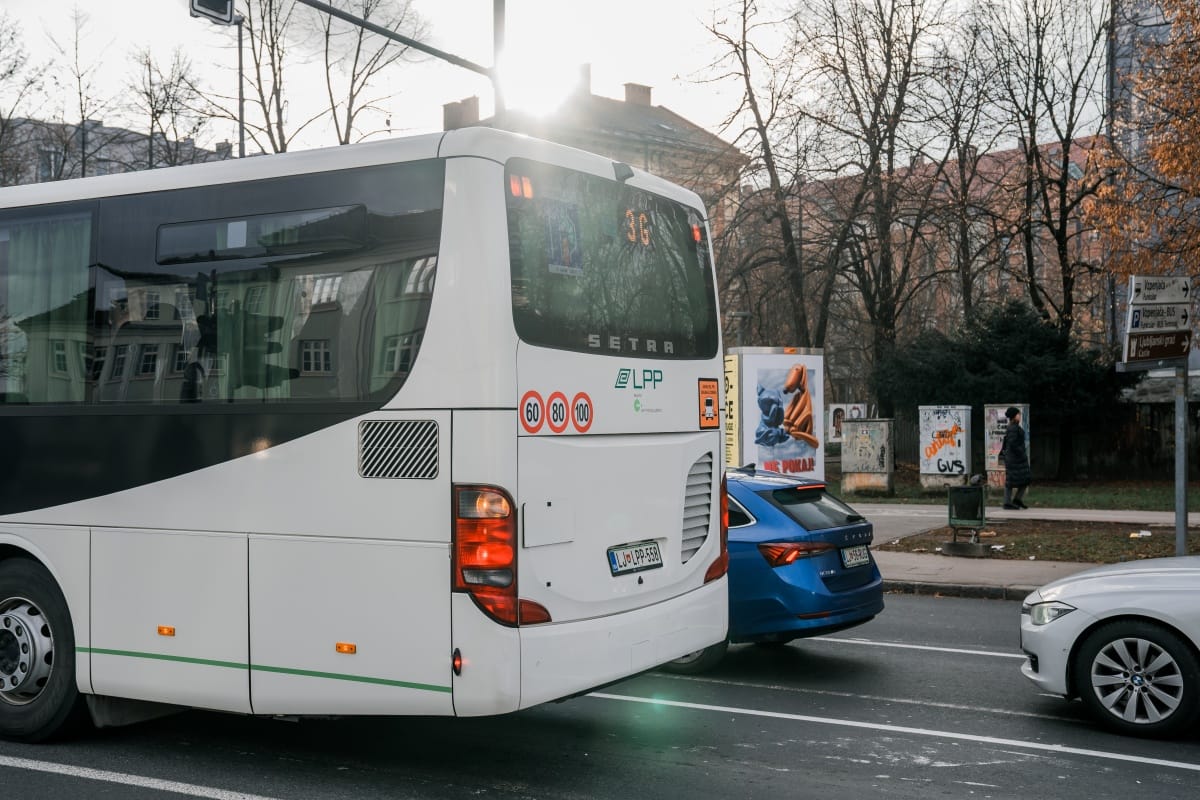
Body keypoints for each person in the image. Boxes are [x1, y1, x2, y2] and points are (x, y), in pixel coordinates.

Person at [1000, 406, 1031, 509]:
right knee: (1011, 481)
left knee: (1025, 479)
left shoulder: (1014, 426)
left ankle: (1017, 500)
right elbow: (1012, 443)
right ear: (1014, 416)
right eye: (1018, 414)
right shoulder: (1013, 428)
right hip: (1014, 459)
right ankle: (1007, 503)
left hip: (1016, 459)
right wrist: (1022, 453)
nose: (1020, 415)